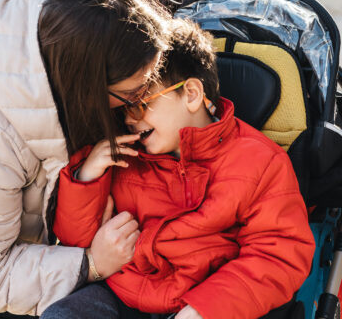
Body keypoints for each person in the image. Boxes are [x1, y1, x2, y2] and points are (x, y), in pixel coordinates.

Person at [0, 0, 177, 318]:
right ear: (86, 88)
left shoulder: (62, 5)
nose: (139, 107)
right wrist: (91, 263)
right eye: (132, 94)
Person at [46, 19, 316, 319]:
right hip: (124, 295)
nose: (129, 119)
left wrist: (205, 309)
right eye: (122, 109)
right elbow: (75, 243)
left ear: (190, 94)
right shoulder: (123, 157)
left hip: (211, 303)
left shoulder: (259, 161)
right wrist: (88, 176)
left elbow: (277, 254)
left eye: (138, 104)